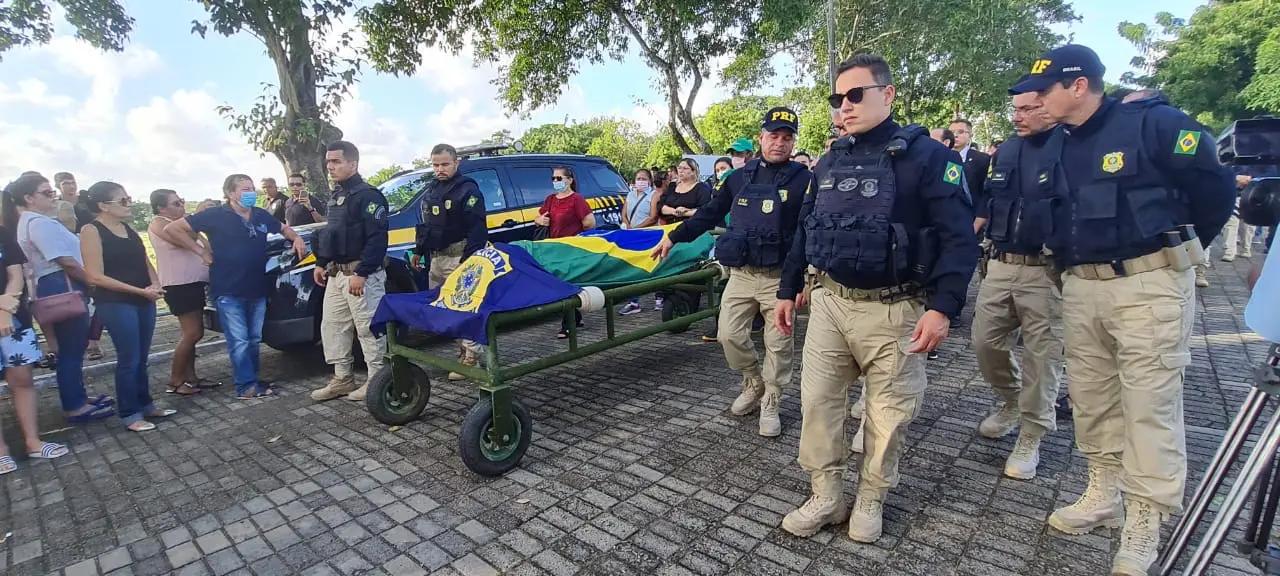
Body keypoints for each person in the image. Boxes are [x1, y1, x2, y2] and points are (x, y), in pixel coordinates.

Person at [1008, 44, 1235, 575]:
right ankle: (1104, 492)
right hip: (1082, 287)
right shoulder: (1058, 146)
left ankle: (1146, 520)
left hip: (1148, 284)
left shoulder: (1152, 124)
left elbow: (1215, 188)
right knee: (1092, 399)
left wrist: (1177, 253)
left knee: (1149, 405)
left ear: (1079, 85)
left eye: (1044, 91)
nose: (1035, 101)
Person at [774, 53, 979, 542]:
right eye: (836, 98)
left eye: (855, 95)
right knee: (818, 403)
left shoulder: (931, 159)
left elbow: (959, 239)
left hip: (897, 308)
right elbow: (806, 230)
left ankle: (870, 496)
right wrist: (788, 288)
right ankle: (826, 494)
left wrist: (943, 306)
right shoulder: (828, 160)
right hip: (829, 302)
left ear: (887, 95)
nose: (844, 106)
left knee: (887, 414)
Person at [653, 107, 815, 437]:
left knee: (779, 345)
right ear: (761, 138)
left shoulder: (804, 180)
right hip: (741, 276)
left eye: (787, 138)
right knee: (728, 335)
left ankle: (772, 399)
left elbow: (806, 233)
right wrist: (674, 235)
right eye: (774, 136)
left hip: (780, 278)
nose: (780, 143)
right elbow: (709, 214)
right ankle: (754, 381)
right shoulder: (739, 178)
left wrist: (802, 279)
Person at [970, 89, 1064, 480]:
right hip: (1003, 262)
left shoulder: (1072, 145)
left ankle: (1032, 433)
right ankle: (1012, 401)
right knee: (985, 342)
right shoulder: (1007, 150)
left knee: (1043, 356)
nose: (1017, 116)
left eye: (1028, 109)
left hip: (1048, 269)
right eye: (1016, 109)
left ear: (1050, 105)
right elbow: (989, 201)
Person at [164, 174, 308, 399]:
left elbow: (283, 228)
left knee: (253, 339)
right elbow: (172, 229)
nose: (250, 193)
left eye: (251, 188)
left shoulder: (260, 214)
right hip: (228, 289)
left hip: (256, 287)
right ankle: (245, 386)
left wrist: (296, 238)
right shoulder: (215, 215)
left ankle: (253, 380)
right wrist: (200, 250)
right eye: (244, 189)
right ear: (230, 193)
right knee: (239, 340)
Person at [6, 173, 115, 422]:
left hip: (56, 284)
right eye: (47, 193)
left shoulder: (32, 221)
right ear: (29, 198)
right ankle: (74, 404)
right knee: (72, 349)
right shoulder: (38, 223)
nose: (53, 196)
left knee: (72, 348)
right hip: (61, 284)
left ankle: (78, 397)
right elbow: (64, 259)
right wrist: (90, 281)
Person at [79, 182, 176, 432]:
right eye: (122, 200)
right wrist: (139, 291)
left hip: (143, 298)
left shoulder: (128, 228)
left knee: (142, 357)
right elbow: (94, 276)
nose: (129, 204)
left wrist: (155, 284)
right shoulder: (91, 230)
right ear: (103, 206)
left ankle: (146, 404)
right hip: (115, 302)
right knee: (129, 358)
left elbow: (145, 261)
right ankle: (130, 413)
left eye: (128, 198)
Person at [309, 141, 391, 402]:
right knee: (333, 326)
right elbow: (332, 234)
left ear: (353, 164)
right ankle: (342, 378)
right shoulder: (337, 195)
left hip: (360, 275)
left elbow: (377, 238)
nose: (330, 166)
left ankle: (377, 380)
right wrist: (321, 262)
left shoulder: (368, 196)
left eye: (336, 162)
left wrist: (363, 272)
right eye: (328, 162)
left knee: (368, 328)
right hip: (337, 274)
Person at [409, 143, 487, 380]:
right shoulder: (432, 190)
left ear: (456, 163)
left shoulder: (467, 190)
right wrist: (418, 251)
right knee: (444, 309)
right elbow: (427, 226)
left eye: (444, 164)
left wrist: (469, 261)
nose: (439, 169)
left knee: (464, 306)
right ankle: (462, 351)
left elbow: (477, 229)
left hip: (459, 256)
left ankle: (472, 357)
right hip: (436, 258)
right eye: (435, 165)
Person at [0, 206, 68, 474]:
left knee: (22, 379)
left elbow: (15, 274)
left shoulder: (3, 233)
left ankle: (32, 441)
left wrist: (5, 308)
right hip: (6, 308)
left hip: (13, 316)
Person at [148, 188, 215, 395]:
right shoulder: (160, 224)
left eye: (182, 202)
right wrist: (196, 218)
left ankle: (191, 377)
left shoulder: (182, 224)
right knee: (192, 333)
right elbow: (182, 239)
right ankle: (175, 381)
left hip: (193, 283)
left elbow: (206, 245)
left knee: (195, 332)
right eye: (176, 204)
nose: (181, 207)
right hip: (178, 285)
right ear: (161, 207)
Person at [535, 166, 596, 338]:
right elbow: (538, 217)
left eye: (559, 178)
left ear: (569, 180)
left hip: (571, 249)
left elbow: (589, 222)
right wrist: (541, 220)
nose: (556, 182)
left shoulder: (576, 199)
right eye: (553, 178)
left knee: (568, 283)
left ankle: (568, 323)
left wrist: (576, 237)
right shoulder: (551, 199)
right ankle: (575, 317)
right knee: (561, 283)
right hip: (554, 248)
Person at [620, 169, 660, 316]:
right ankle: (634, 302)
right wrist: (626, 224)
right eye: (638, 178)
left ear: (649, 180)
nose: (640, 181)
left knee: (654, 266)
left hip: (648, 236)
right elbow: (624, 213)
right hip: (631, 236)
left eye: (644, 179)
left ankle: (659, 298)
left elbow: (653, 217)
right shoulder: (630, 194)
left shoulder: (653, 195)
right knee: (633, 267)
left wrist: (637, 228)